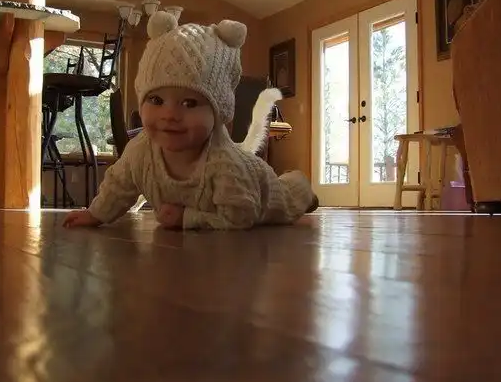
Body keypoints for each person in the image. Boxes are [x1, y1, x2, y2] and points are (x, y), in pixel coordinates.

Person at [62, 11, 318, 230]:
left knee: (290, 196)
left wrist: (188, 218)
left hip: (262, 193)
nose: (169, 115)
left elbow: (242, 216)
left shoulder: (226, 166)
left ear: (218, 111)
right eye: (156, 100)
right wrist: (95, 214)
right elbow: (118, 185)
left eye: (189, 103)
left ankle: (303, 188)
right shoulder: (139, 152)